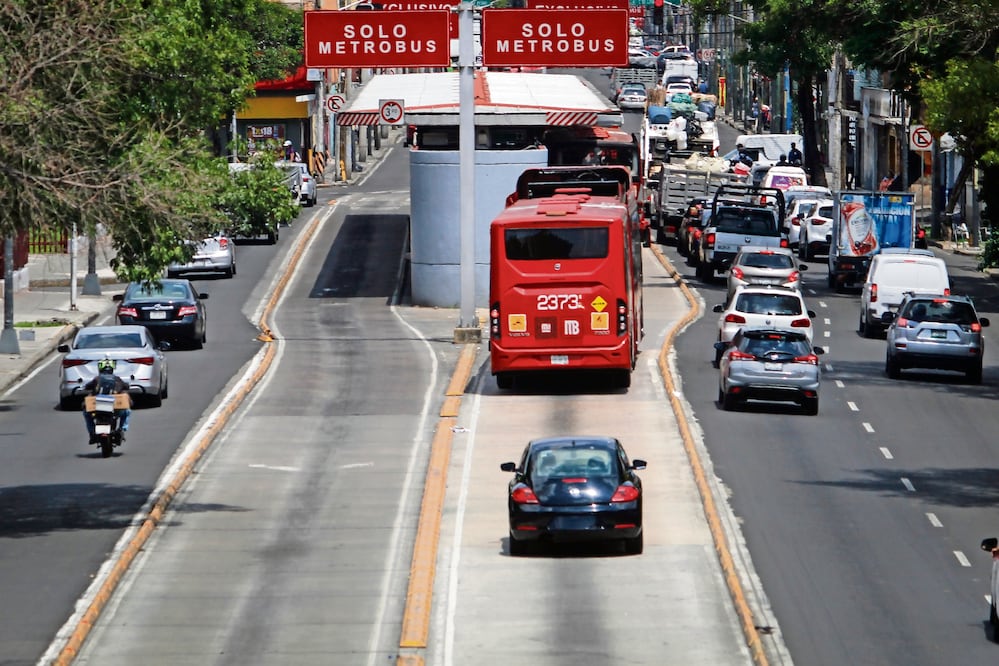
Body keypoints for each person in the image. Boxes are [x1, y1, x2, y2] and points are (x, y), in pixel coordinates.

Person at [83, 358, 131, 443]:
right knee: (127, 412)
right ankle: (122, 429)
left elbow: (87, 386)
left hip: (97, 408)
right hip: (114, 408)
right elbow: (126, 386)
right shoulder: (117, 379)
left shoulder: (96, 379)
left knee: (86, 414)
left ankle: (91, 432)